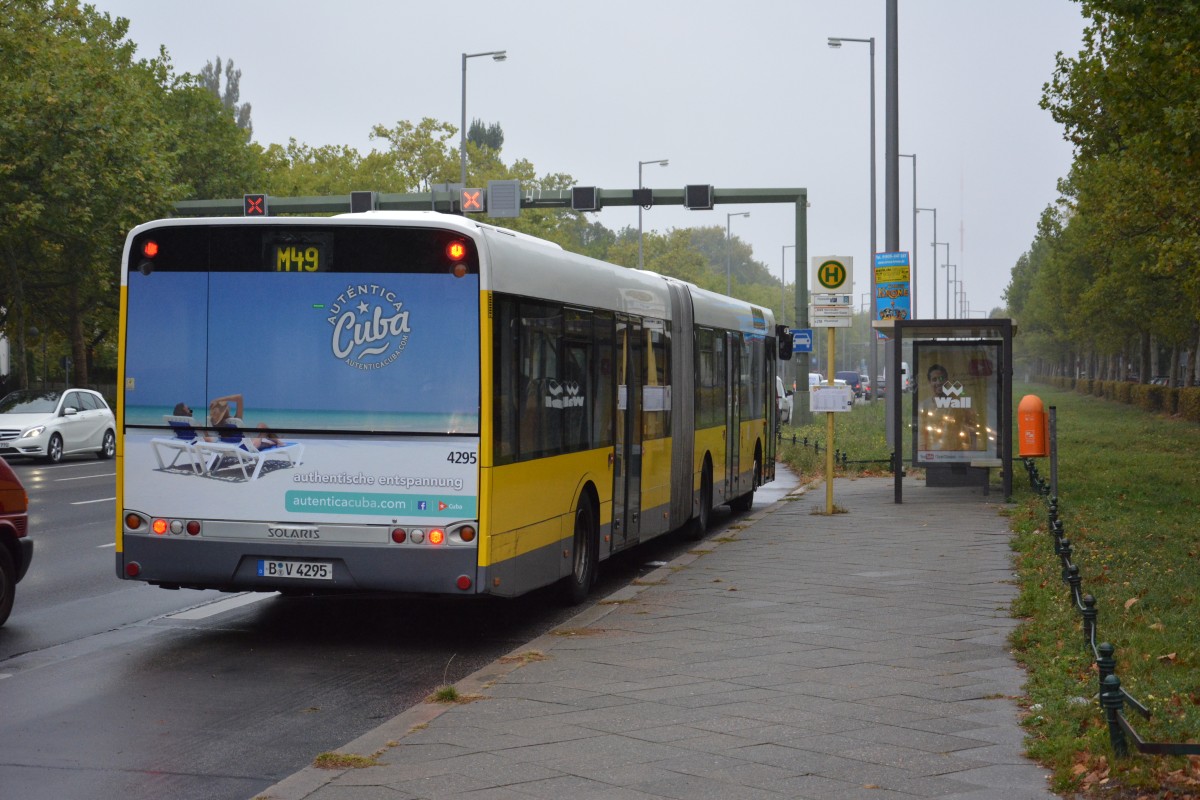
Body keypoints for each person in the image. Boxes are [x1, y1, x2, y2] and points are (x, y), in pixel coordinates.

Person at [207, 393, 283, 448]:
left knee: (264, 442)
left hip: (229, 446)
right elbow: (239, 397)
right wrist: (218, 399)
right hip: (247, 448)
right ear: (227, 410)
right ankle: (279, 442)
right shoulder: (236, 421)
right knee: (262, 426)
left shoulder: (214, 422)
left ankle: (272, 442)